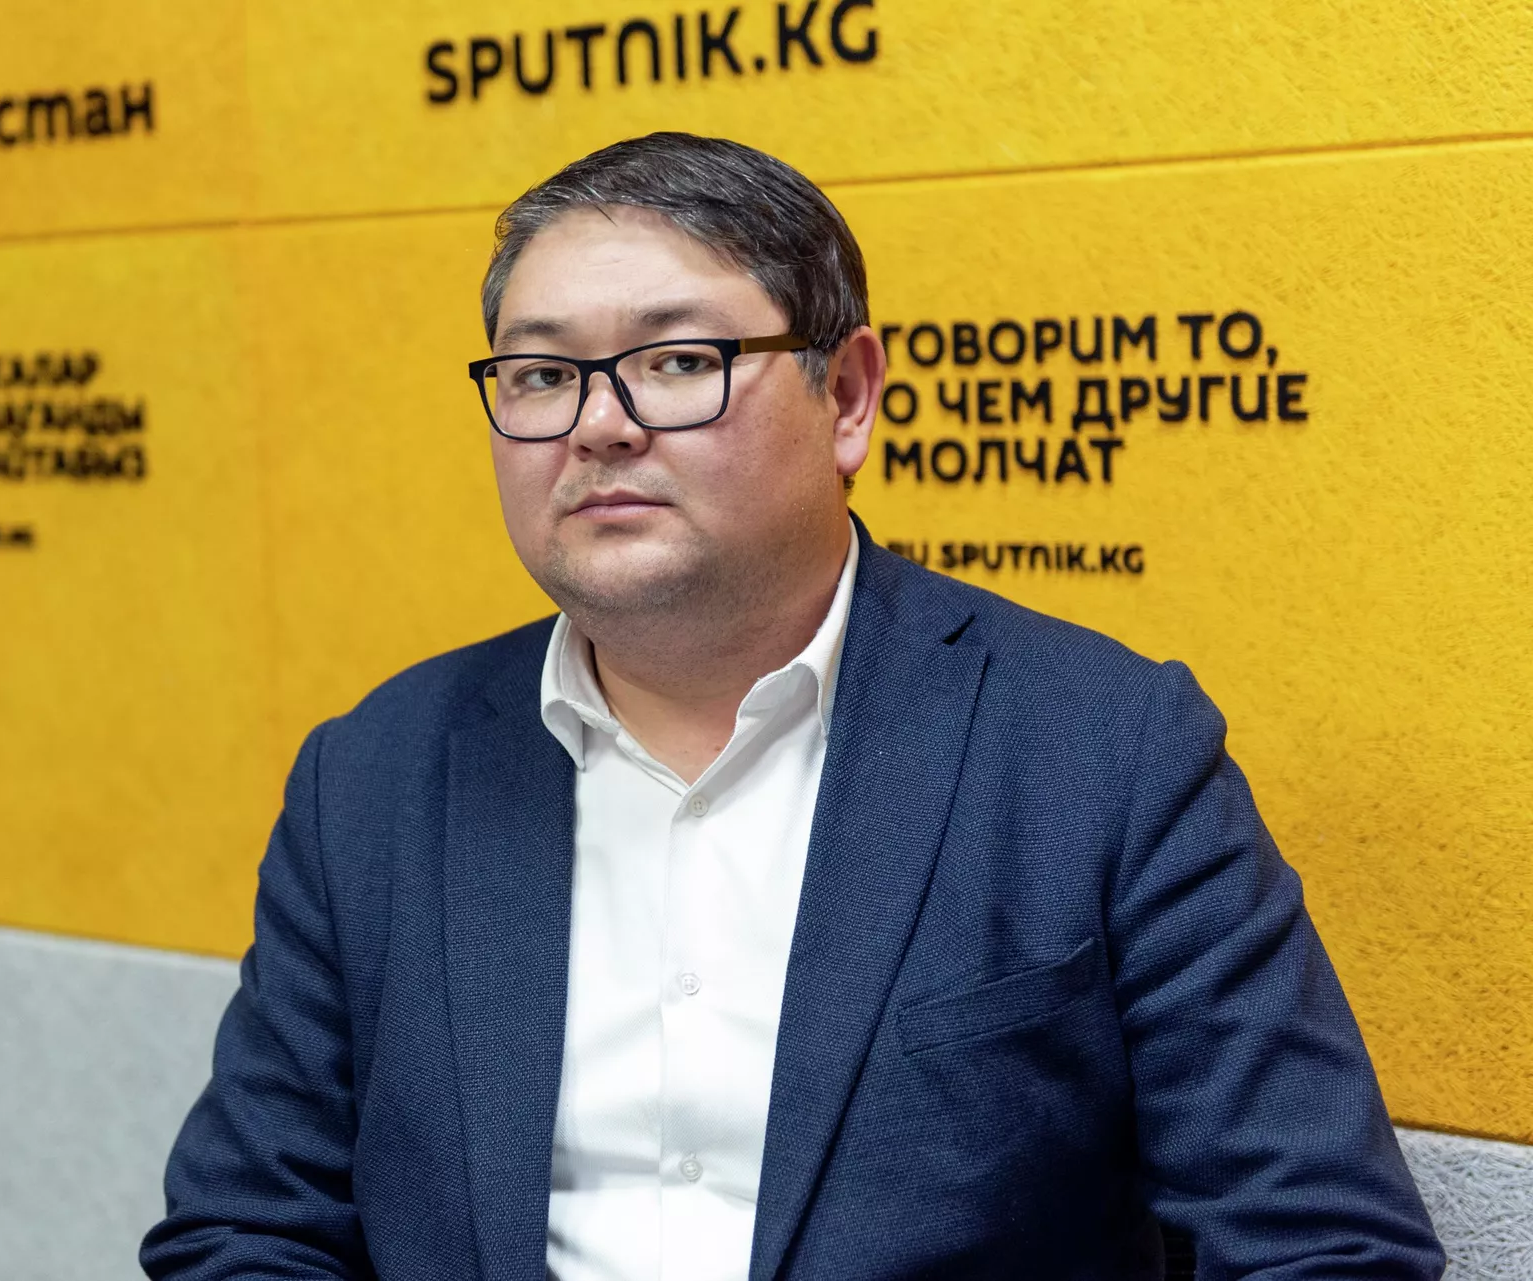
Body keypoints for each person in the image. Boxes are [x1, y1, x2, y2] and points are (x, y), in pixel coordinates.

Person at [142, 132, 1443, 1280]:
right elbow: (245, 1231)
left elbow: (1324, 1244)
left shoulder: (1101, 750)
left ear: (850, 398)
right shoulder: (374, 777)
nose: (598, 426)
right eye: (540, 376)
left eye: (677, 359)